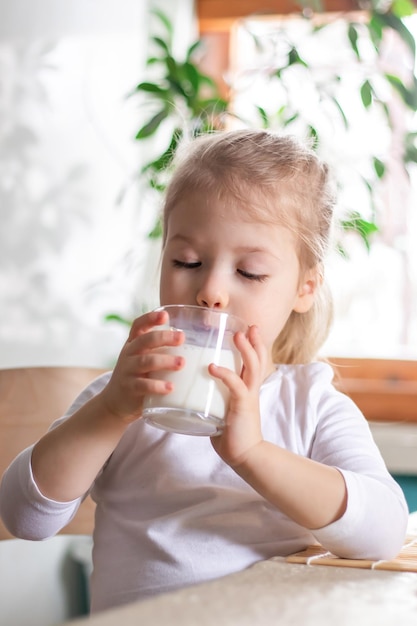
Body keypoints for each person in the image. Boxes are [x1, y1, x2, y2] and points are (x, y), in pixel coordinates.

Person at [0, 129, 408, 613]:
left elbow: (383, 532)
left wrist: (253, 453)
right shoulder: (120, 400)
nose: (211, 290)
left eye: (249, 271)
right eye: (186, 260)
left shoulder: (311, 405)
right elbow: (25, 517)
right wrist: (109, 412)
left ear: (304, 288)